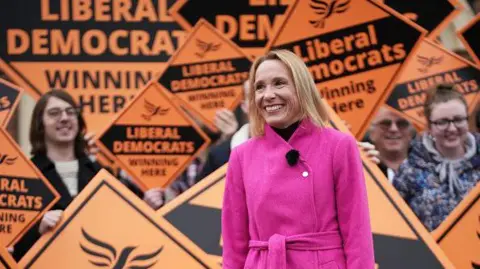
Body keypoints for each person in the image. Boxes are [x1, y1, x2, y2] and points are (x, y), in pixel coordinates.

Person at [221, 50, 374, 269]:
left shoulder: (339, 145)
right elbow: (233, 244)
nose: (268, 94)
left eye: (279, 83)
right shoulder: (241, 156)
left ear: (302, 88)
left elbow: (357, 233)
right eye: (260, 87)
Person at [13, 90, 141, 260]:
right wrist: (39, 228)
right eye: (54, 113)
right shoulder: (25, 175)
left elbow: (128, 221)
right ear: (40, 124)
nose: (64, 118)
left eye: (70, 112)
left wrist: (148, 203)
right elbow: (13, 247)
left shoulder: (100, 172)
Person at [393, 84, 480, 231]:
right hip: (432, 253)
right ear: (429, 126)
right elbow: (396, 223)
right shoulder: (410, 171)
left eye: (458, 119)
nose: (452, 128)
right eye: (442, 122)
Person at [368, 106, 415, 182]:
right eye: (385, 123)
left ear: (411, 133)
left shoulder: (429, 168)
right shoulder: (362, 172)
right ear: (372, 133)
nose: (394, 129)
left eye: (402, 123)